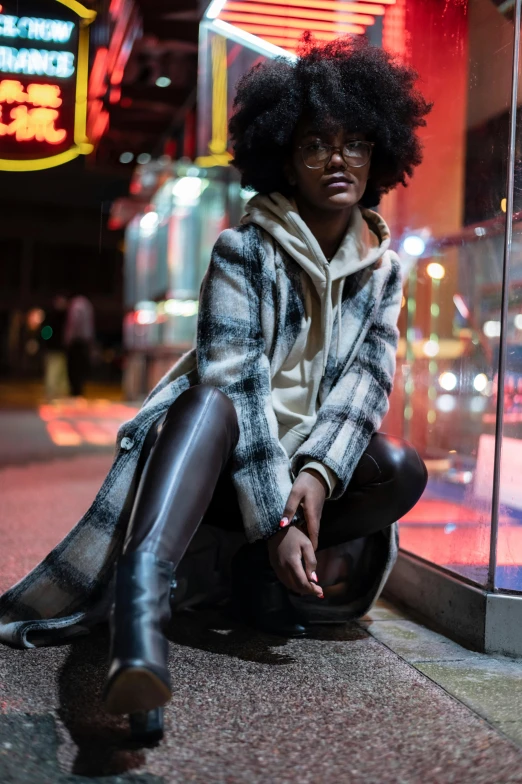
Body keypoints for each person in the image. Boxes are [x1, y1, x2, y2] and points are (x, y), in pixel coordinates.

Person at [0, 37, 431, 737]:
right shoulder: (243, 250)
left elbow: (365, 387)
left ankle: (258, 578)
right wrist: (278, 520)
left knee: (400, 468)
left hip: (297, 478)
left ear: (378, 153)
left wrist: (316, 478)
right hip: (220, 470)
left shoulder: (383, 273)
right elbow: (240, 380)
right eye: (315, 143)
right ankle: (140, 630)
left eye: (355, 143)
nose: (337, 160)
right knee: (207, 399)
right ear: (284, 159)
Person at [64, 294, 95, 397]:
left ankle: (75, 390)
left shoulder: (76, 305)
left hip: (76, 341)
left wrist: (69, 338)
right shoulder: (87, 304)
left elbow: (74, 323)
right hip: (84, 340)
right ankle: (79, 389)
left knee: (74, 367)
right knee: (81, 366)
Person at [41, 295, 70, 400]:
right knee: (53, 371)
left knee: (60, 372)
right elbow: (46, 333)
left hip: (59, 349)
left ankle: (58, 395)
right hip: (54, 349)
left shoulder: (63, 316)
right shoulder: (54, 317)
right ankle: (52, 394)